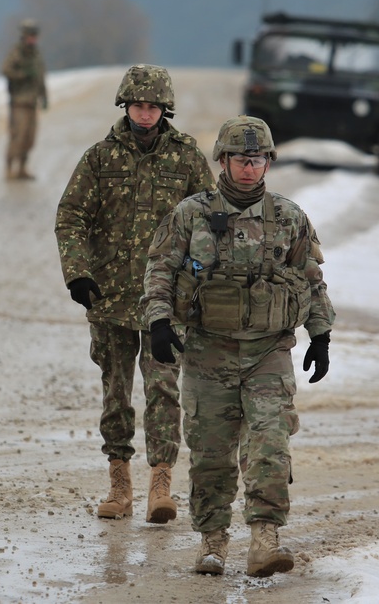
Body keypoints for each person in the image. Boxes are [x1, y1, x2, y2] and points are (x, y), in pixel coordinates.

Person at [141, 115, 335, 577]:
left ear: (268, 163)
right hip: (209, 352)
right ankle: (212, 541)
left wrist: (320, 333)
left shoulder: (289, 217)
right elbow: (160, 270)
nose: (249, 169)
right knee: (211, 452)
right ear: (222, 162)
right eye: (239, 160)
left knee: (270, 444)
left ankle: (265, 538)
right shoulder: (191, 213)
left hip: (268, 352)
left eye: (257, 160)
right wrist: (159, 322)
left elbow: (311, 278)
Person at [55, 64, 215, 524]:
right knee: (115, 391)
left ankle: (160, 483)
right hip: (109, 296)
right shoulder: (100, 158)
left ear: (165, 109)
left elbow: (207, 224)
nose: (145, 114)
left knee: (164, 388)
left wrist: (196, 279)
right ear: (126, 106)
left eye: (153, 107)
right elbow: (70, 217)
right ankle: (119, 483)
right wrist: (78, 273)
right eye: (138, 106)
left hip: (165, 301)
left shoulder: (185, 158)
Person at [1, 18, 47, 180]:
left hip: (32, 102)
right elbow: (6, 70)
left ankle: (22, 168)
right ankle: (9, 168)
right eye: (30, 35)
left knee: (29, 138)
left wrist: (44, 96)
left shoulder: (36, 55)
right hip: (19, 102)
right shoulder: (17, 53)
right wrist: (23, 74)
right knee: (18, 136)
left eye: (35, 35)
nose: (33, 38)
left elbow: (41, 76)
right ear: (24, 36)